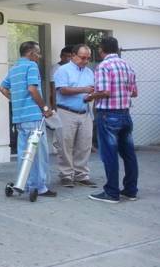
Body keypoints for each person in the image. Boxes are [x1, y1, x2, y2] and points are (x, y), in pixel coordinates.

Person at [0, 41, 57, 199]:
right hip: (33, 117)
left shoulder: (14, 69)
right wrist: (45, 108)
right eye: (38, 53)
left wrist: (16, 100)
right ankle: (40, 187)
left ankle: (22, 182)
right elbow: (32, 89)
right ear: (31, 53)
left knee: (24, 153)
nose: (39, 56)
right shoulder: (31, 66)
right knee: (38, 154)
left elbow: (2, 88)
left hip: (19, 118)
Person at [86, 36, 138, 204]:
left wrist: (90, 96)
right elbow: (134, 93)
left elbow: (105, 92)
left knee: (109, 155)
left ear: (101, 49)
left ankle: (112, 193)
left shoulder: (103, 66)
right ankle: (130, 191)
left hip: (108, 115)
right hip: (125, 114)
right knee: (129, 155)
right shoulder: (127, 66)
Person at [53, 44, 96, 188]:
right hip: (66, 112)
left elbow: (92, 90)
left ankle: (81, 175)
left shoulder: (89, 72)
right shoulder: (62, 70)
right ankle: (66, 175)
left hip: (85, 112)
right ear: (73, 55)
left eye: (88, 58)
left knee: (84, 145)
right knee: (65, 145)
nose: (85, 61)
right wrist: (84, 89)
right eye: (83, 57)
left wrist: (91, 96)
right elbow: (63, 90)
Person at [50, 46, 73, 156]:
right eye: (66, 56)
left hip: (71, 104)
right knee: (60, 126)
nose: (68, 58)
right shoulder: (56, 68)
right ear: (61, 56)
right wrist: (54, 105)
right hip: (60, 103)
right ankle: (59, 146)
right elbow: (53, 88)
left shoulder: (72, 68)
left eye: (70, 56)